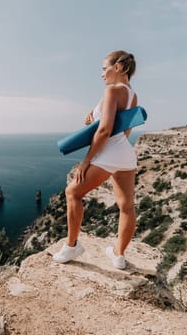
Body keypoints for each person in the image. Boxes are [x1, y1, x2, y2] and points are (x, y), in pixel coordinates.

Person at [52, 50, 138, 269]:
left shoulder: (111, 91)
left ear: (118, 67)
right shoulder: (132, 95)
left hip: (107, 153)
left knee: (72, 193)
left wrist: (87, 160)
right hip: (125, 153)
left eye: (104, 68)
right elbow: (124, 131)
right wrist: (93, 117)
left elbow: (105, 130)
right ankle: (118, 256)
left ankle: (72, 246)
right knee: (127, 206)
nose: (102, 74)